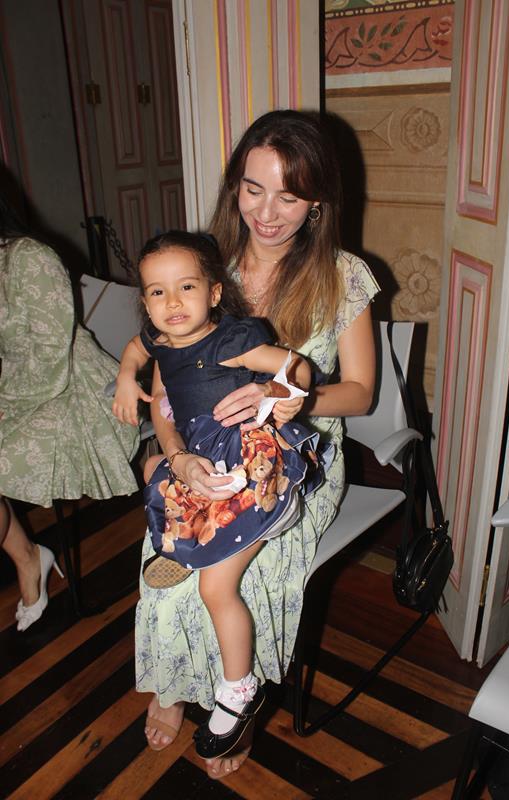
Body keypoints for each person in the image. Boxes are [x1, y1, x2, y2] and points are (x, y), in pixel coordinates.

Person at [133, 110, 379, 777]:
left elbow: (360, 393)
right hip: (204, 449)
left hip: (296, 456)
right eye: (252, 189)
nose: (267, 213)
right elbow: (162, 381)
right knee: (168, 550)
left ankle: (232, 700)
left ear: (317, 201)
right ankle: (173, 682)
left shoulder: (343, 275)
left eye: (289, 196)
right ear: (234, 187)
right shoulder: (201, 267)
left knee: (241, 570)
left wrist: (289, 399)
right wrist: (172, 449)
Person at [113, 229, 327, 758]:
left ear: (213, 293)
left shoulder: (230, 342)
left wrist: (278, 391)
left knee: (216, 589)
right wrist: (124, 374)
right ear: (146, 301)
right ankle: (185, 546)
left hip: (252, 468)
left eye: (186, 287)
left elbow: (299, 366)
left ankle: (238, 689)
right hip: (202, 457)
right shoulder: (161, 341)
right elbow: (140, 355)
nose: (172, 302)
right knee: (157, 474)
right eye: (157, 292)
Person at [0, 191, 140, 632]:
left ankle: (27, 559)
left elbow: (51, 356)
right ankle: (28, 555)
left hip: (68, 385)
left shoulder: (29, 258)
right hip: (15, 384)